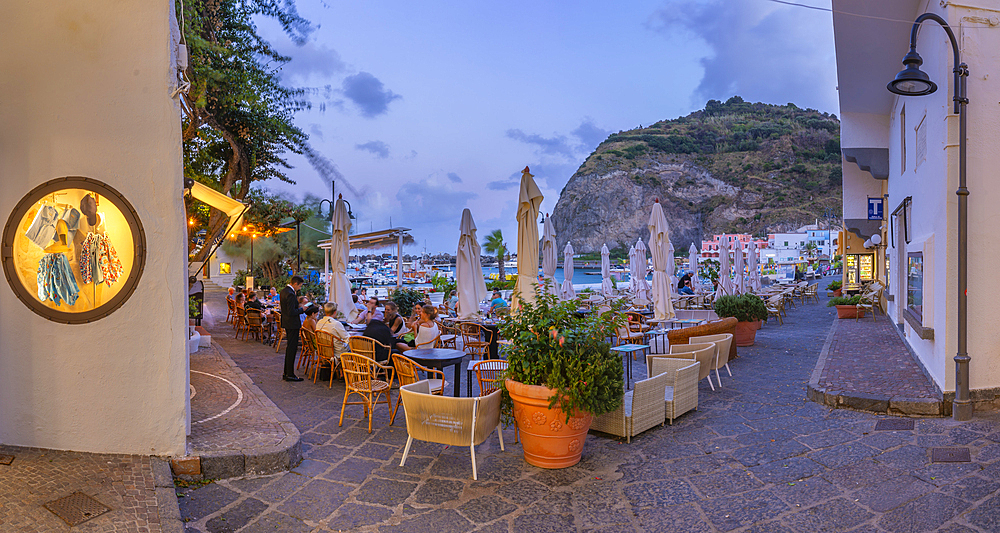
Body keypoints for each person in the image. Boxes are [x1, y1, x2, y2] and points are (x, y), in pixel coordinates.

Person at [279, 275, 306, 382]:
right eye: (300, 286)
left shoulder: (284, 291)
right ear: (295, 284)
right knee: (292, 349)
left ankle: (287, 373)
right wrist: (302, 309)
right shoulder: (290, 294)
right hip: (292, 324)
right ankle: (289, 374)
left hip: (287, 323)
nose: (300, 288)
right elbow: (291, 312)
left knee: (290, 348)